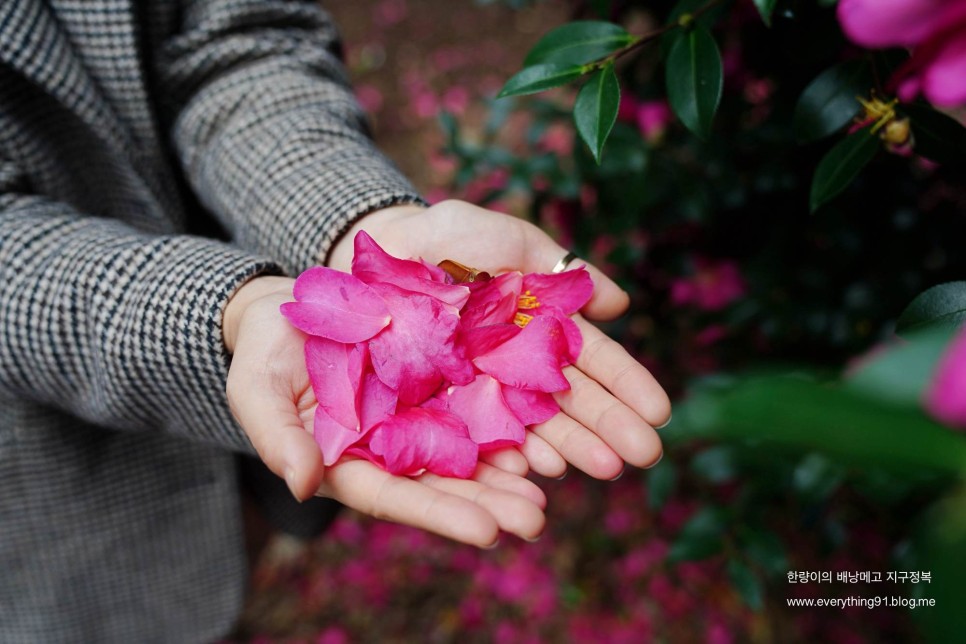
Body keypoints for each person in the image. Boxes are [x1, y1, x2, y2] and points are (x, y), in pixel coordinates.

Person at [0, 0, 670, 640]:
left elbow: (237, 47)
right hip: (65, 507)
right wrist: (224, 310)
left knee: (268, 525)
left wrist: (358, 222)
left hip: (264, 456)